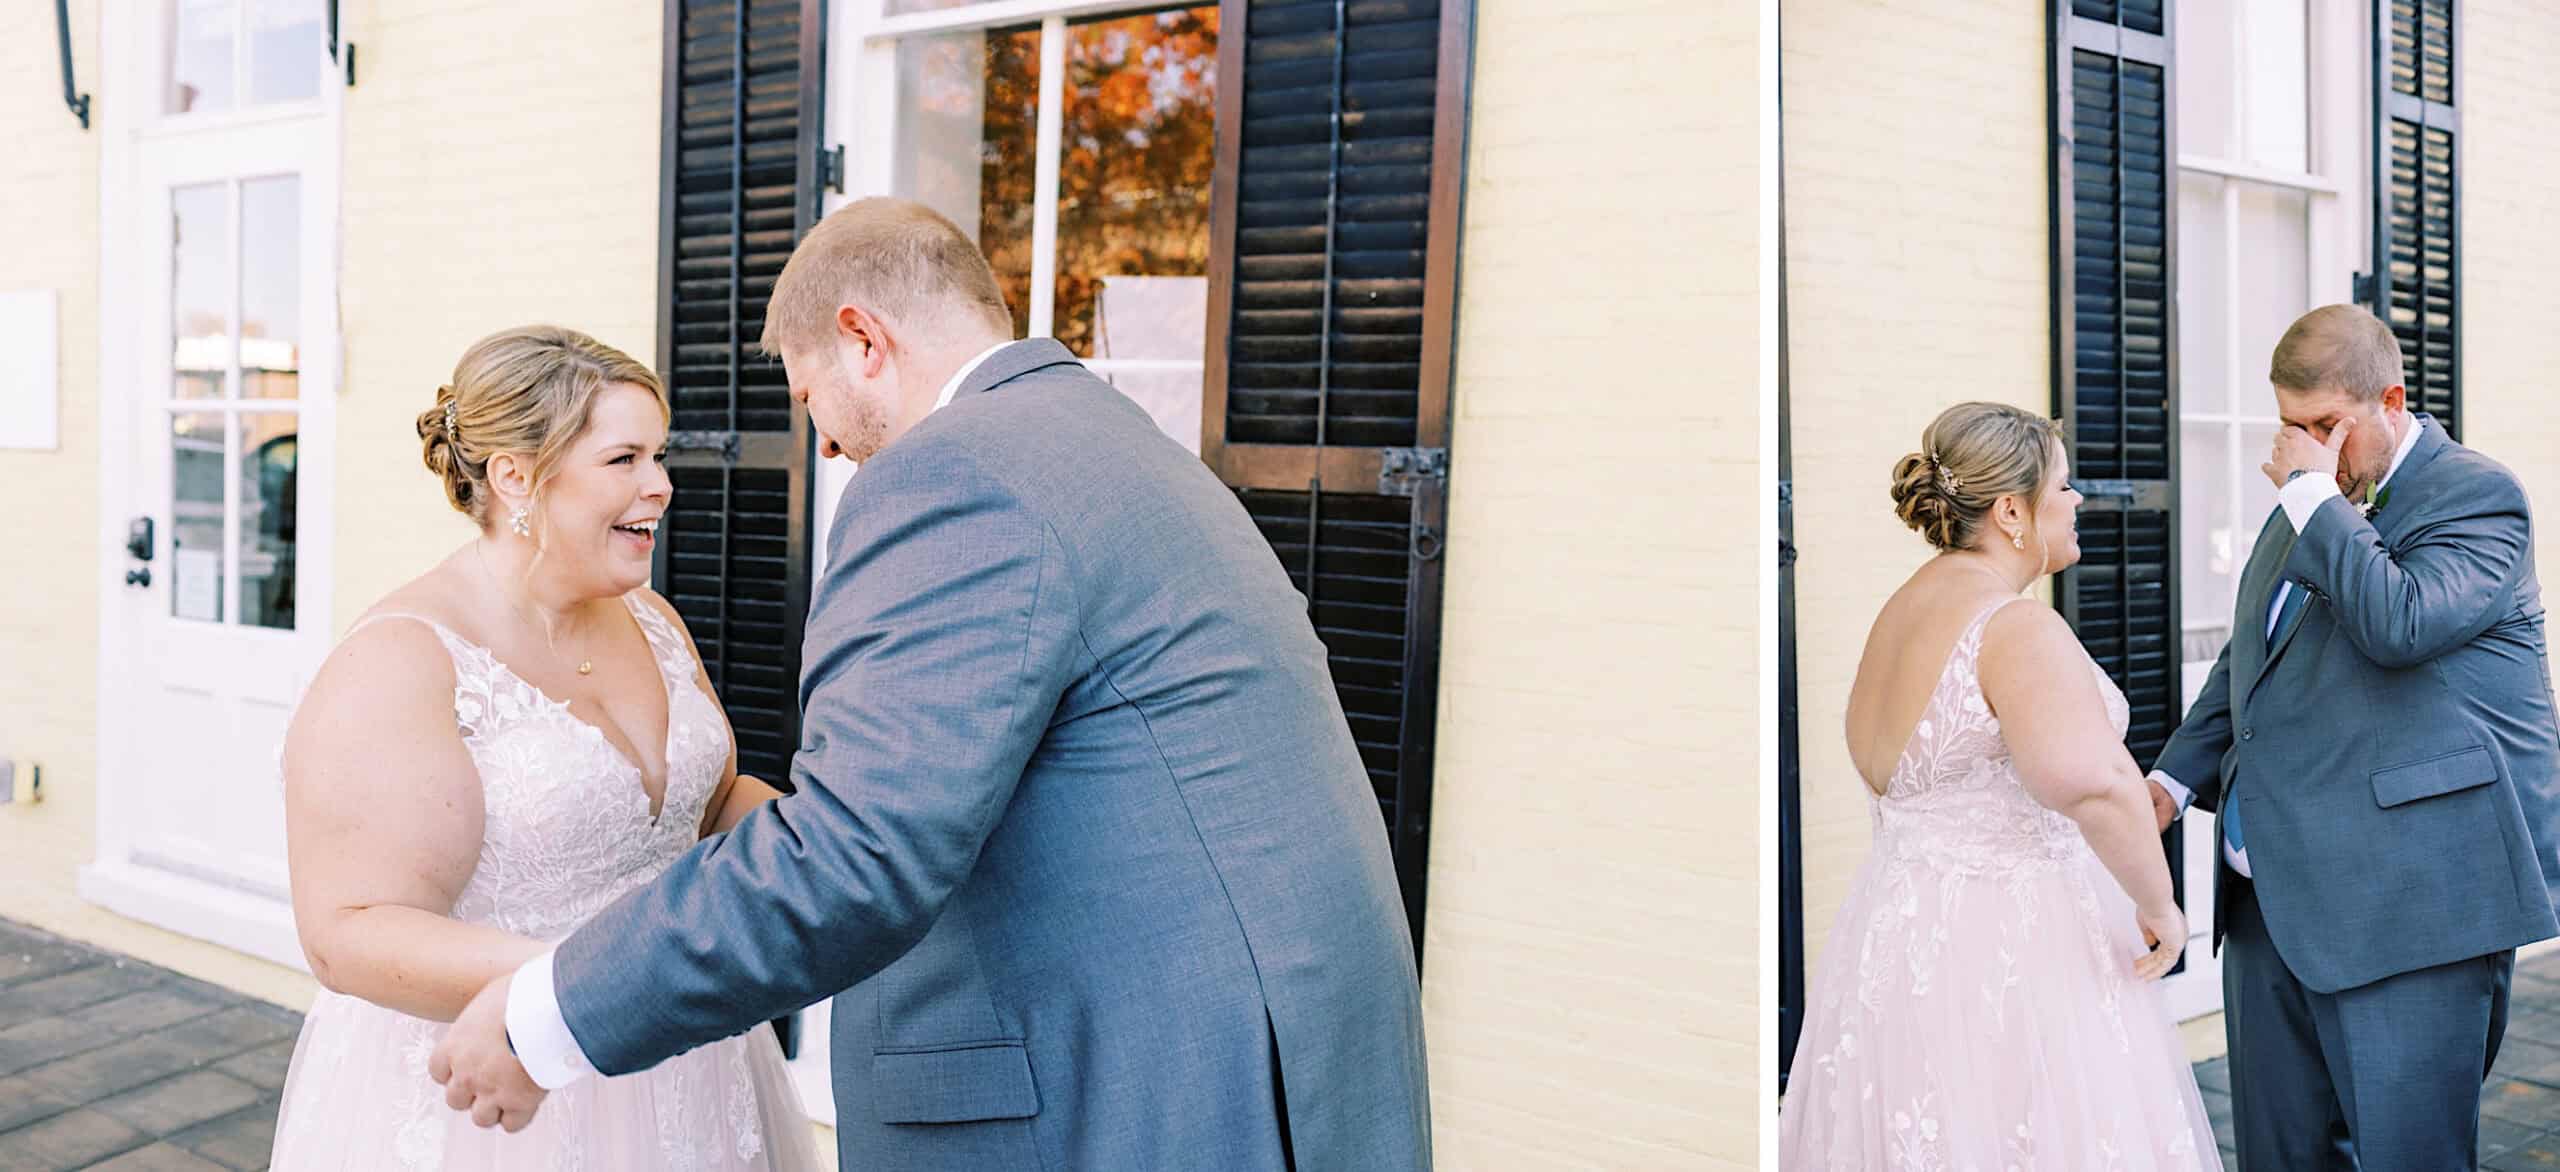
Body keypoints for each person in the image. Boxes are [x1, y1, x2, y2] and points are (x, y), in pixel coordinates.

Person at [430, 198, 1433, 1171]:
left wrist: (547, 1016)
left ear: (863, 338)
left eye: (810, 392)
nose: (820, 440)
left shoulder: (954, 472)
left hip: (1142, 1087)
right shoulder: (1112, 438)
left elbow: (858, 850)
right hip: (1286, 1051)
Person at [271, 325, 822, 1169]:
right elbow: (346, 933)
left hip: (688, 1063)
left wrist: (838, 843)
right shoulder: (402, 660)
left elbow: (705, 811)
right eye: (624, 460)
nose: (662, 486)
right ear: (515, 476)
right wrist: (595, 988)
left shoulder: (654, 619)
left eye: (659, 455)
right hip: (498, 1091)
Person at [2148, 303, 2560, 1168]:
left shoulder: (2478, 496)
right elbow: (2254, 654)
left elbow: (2399, 621)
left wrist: (2307, 494)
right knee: (2280, 1157)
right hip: (2268, 903)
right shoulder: (2314, 503)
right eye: (2291, 428)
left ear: (2392, 400)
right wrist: (2174, 781)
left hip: (2409, 906)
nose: (2303, 450)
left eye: (2326, 426)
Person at [1779, 401, 2218, 1168]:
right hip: (2011, 952)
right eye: (2063, 487)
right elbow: (2092, 788)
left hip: (1897, 938)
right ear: (2013, 511)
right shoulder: (2014, 627)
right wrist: (2160, 906)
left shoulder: (1906, 607)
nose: (2079, 500)